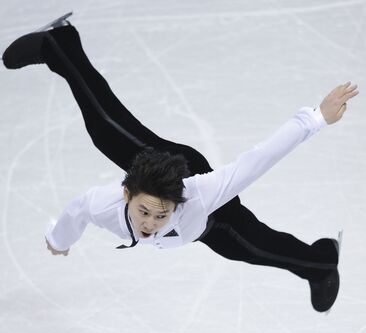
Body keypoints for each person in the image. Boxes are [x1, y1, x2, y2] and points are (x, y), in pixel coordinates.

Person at [2, 13, 359, 313]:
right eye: (145, 213)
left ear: (178, 206)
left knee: (252, 247)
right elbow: (77, 210)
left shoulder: (203, 195)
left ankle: (321, 262)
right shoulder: (105, 204)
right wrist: (59, 239)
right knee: (106, 129)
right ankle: (59, 45)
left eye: (161, 216)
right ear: (126, 194)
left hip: (193, 183)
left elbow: (259, 159)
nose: (150, 224)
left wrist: (317, 118)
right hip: (153, 168)